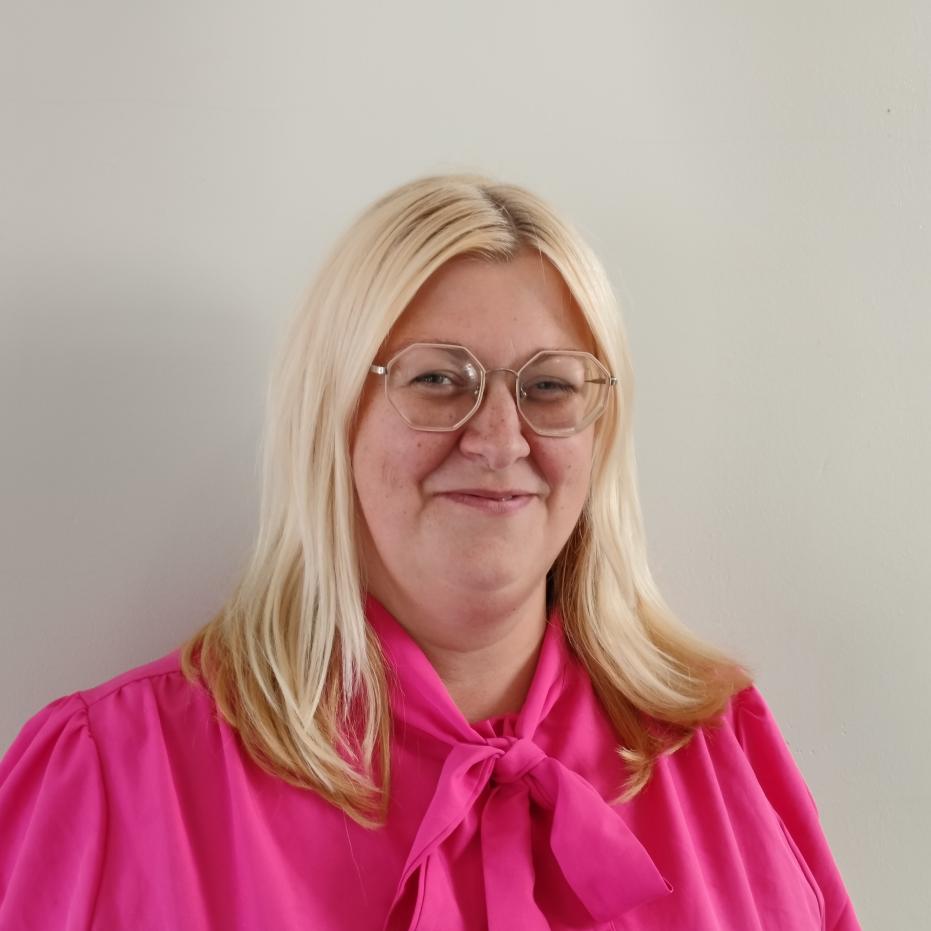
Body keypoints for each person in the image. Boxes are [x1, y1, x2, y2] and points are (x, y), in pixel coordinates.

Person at [0, 175, 861, 930]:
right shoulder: (112, 778)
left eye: (549, 386)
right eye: (437, 379)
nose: (499, 438)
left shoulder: (719, 754)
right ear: (333, 415)